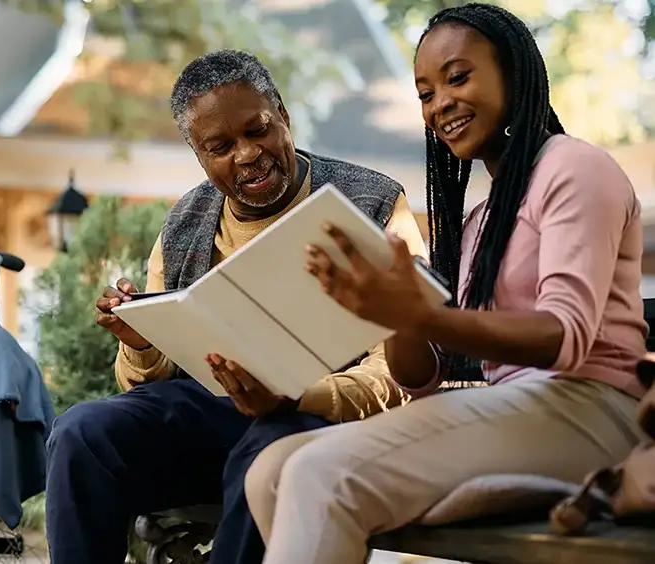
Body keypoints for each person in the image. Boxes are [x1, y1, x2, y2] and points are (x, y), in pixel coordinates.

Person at [243, 4, 649, 563]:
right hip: (521, 406)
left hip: (596, 408)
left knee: (319, 472)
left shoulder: (574, 167)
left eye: (458, 77)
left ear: (514, 71)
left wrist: (422, 314)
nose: (441, 105)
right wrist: (390, 312)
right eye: (426, 94)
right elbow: (422, 377)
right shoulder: (479, 222)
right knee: (270, 469)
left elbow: (566, 335)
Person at [44, 49, 430, 564]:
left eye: (258, 130)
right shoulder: (185, 221)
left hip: (320, 420)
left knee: (267, 453)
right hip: (212, 417)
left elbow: (400, 374)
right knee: (81, 433)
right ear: (199, 156)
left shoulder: (373, 204)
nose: (247, 154)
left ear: (284, 117)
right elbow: (143, 388)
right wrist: (142, 343)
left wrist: (296, 397)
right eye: (221, 146)